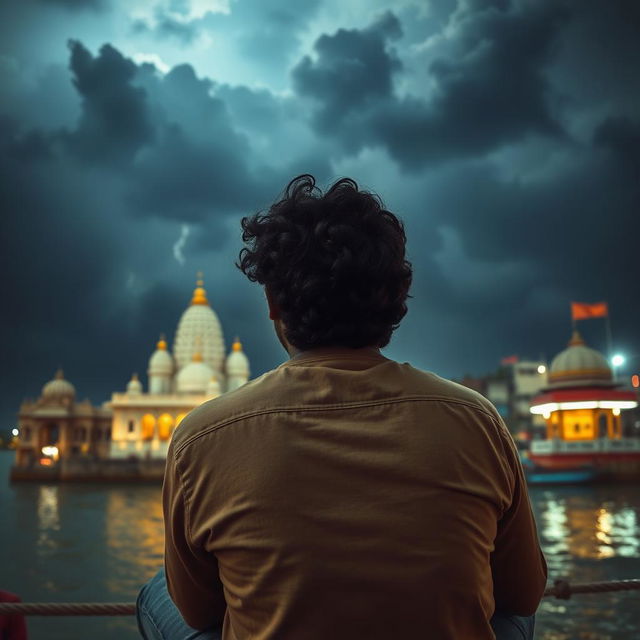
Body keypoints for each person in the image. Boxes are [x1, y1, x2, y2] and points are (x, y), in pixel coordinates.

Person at [137, 175, 547, 640]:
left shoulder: (200, 436)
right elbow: (525, 594)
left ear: (273, 302)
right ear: (396, 297)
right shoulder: (478, 420)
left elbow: (196, 610)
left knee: (158, 592)